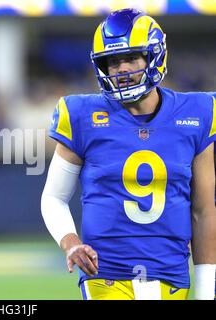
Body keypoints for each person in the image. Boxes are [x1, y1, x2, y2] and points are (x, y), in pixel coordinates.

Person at [41, 9, 215, 300]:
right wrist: (70, 242)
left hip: (171, 276)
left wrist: (207, 290)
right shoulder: (82, 115)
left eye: (131, 58)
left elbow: (204, 211)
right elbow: (53, 197)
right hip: (106, 276)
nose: (121, 69)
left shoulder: (196, 114)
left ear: (155, 56)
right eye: (112, 61)